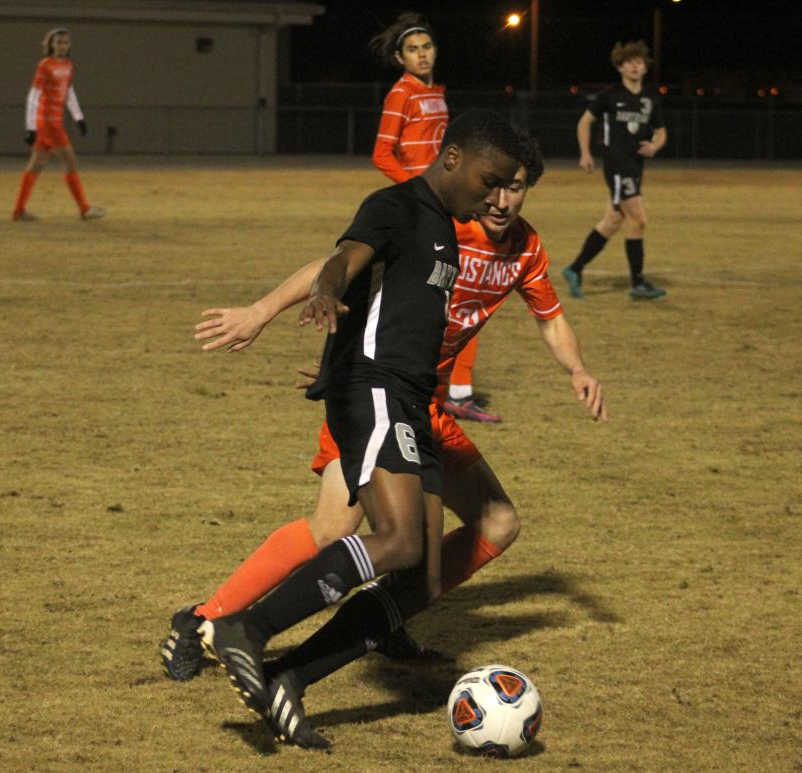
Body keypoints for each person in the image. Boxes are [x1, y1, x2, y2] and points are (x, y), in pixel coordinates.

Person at [163, 131, 606, 749]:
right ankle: (216, 624)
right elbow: (341, 262)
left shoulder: (501, 241)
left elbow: (541, 317)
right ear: (463, 167)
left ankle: (298, 665)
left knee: (433, 556)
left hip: (413, 399)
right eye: (492, 182)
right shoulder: (421, 211)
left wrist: (579, 371)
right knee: (354, 536)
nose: (499, 197)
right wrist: (277, 313)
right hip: (377, 392)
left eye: (514, 185)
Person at [370, 13, 496, 422]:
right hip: (422, 209)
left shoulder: (434, 92)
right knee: (450, 292)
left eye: (426, 47)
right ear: (399, 56)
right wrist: (419, 191)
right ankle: (444, 390)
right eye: (413, 49)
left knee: (458, 291)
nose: (422, 55)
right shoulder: (401, 94)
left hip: (441, 206)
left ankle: (446, 389)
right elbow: (382, 153)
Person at [561, 40, 666, 300]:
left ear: (645, 68)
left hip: (636, 166)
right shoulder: (609, 96)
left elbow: (661, 132)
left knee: (613, 221)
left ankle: (574, 269)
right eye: (629, 62)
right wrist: (585, 153)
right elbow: (584, 122)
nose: (634, 66)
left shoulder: (650, 99)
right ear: (620, 67)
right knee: (639, 220)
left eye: (639, 62)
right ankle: (637, 283)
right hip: (617, 166)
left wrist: (655, 146)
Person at [11, 27, 104, 221]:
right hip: (48, 122)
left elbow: (69, 92)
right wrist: (30, 127)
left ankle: (19, 210)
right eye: (58, 42)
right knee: (70, 162)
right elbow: (34, 96)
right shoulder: (45, 65)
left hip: (54, 120)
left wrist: (79, 117)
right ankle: (84, 209)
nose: (62, 45)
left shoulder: (69, 65)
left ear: (69, 45)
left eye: (65, 42)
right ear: (51, 44)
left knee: (36, 165)